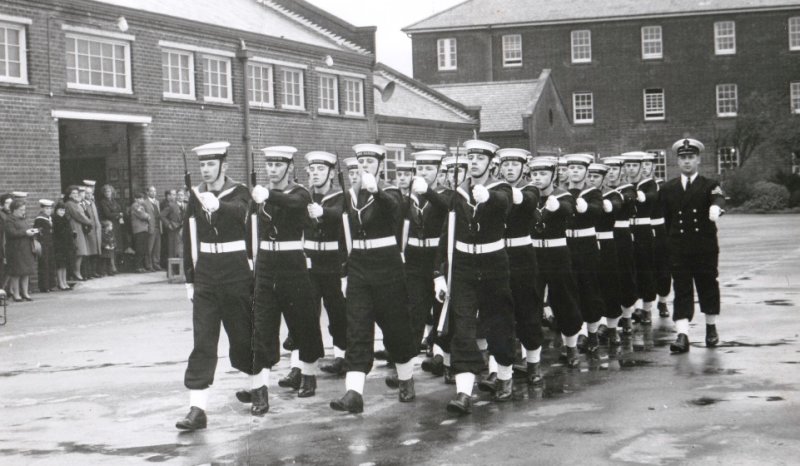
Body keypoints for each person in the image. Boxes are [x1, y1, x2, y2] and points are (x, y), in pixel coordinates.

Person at [176, 141, 258, 431]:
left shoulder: (240, 193)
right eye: (202, 165)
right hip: (207, 275)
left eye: (211, 164)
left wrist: (219, 205)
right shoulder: (195, 195)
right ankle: (197, 409)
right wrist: (189, 278)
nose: (206, 170)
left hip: (236, 272)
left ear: (224, 165)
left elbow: (241, 212)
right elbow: (189, 238)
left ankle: (258, 386)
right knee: (203, 341)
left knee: (241, 334)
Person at [329, 144, 417, 414]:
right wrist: (344, 270)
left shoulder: (389, 192)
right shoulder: (349, 196)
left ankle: (405, 378)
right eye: (361, 161)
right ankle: (354, 392)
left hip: (387, 267)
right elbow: (343, 234)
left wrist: (376, 191)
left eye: (370, 161)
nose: (364, 166)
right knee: (357, 329)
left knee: (395, 329)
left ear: (380, 165)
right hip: (359, 267)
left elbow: (397, 211)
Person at [433, 139, 516, 414]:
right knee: (463, 329)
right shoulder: (459, 192)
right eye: (471, 158)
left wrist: (488, 198)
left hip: (493, 264)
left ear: (491, 163)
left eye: (480, 158)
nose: (474, 162)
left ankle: (504, 377)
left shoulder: (500, 188)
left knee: (498, 324)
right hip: (464, 266)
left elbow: (504, 203)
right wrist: (439, 273)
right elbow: (447, 234)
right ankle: (464, 393)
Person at [241, 146, 325, 414]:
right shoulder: (260, 194)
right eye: (270, 165)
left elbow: (294, 204)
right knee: (261, 327)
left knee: (302, 323)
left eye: (278, 165)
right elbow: (250, 228)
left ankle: (308, 373)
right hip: (266, 265)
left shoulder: (299, 193)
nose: (273, 170)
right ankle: (259, 390)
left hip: (292, 265)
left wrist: (269, 196)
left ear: (289, 168)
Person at [660, 138, 726, 353]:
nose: (687, 162)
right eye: (683, 158)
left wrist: (716, 208)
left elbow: (719, 198)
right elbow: (667, 220)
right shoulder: (668, 188)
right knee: (682, 289)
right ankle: (682, 335)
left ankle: (711, 328)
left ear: (698, 159)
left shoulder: (709, 185)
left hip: (703, 247)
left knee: (707, 287)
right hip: (679, 247)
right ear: (678, 161)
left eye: (690, 157)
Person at [495, 148, 544, 386]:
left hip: (522, 255)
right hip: (497, 254)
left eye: (515, 164)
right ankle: (499, 371)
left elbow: (529, 201)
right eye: (506, 165)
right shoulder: (494, 189)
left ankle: (533, 363)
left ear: (525, 167)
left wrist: (512, 195)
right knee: (499, 313)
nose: (510, 169)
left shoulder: (530, 188)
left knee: (527, 310)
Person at [529, 157, 583, 368]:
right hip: (534, 253)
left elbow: (568, 208)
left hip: (558, 254)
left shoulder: (563, 195)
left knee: (565, 301)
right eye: (534, 174)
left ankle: (571, 347)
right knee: (531, 302)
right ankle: (531, 356)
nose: (538, 178)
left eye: (543, 174)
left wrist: (557, 205)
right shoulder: (529, 196)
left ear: (553, 175)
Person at [402, 150, 449, 380]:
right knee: (414, 311)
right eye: (420, 169)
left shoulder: (446, 193)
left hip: (436, 258)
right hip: (414, 259)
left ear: (439, 172)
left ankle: (442, 356)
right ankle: (406, 370)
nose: (423, 173)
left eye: (429, 169)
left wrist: (428, 192)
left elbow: (446, 208)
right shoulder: (410, 196)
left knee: (441, 309)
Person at [303, 151, 348, 376]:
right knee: (308, 312)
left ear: (331, 173)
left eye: (321, 169)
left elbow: (342, 214)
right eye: (312, 170)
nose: (316, 174)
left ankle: (341, 356)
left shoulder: (340, 196)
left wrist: (325, 212)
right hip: (310, 263)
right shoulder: (306, 196)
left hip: (333, 263)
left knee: (337, 311)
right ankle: (307, 362)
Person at [564, 153, 606, 354]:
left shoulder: (592, 193)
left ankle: (592, 332)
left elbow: (598, 211)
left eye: (579, 168)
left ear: (586, 171)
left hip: (587, 245)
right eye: (571, 168)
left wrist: (586, 207)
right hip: (566, 244)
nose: (575, 172)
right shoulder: (561, 192)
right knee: (571, 291)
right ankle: (578, 332)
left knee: (590, 290)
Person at [586, 162, 624, 347]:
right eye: (590, 176)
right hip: (588, 243)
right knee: (591, 288)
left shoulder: (611, 194)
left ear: (603, 178)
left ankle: (613, 329)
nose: (592, 180)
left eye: (596, 177)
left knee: (610, 286)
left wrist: (607, 205)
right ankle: (591, 331)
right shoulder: (582, 195)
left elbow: (617, 205)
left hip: (607, 242)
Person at [621, 152, 659, 325]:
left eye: (634, 165)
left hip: (643, 228)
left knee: (645, 268)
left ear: (640, 166)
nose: (630, 169)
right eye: (628, 165)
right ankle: (633, 307)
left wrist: (642, 196)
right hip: (627, 228)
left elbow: (653, 197)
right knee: (630, 268)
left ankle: (647, 308)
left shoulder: (649, 184)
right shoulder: (623, 186)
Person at [4, 199, 37, 301]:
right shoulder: (9, 220)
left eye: (24, 209)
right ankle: (16, 294)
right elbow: (11, 233)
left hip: (25, 248)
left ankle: (25, 293)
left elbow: (24, 230)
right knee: (16, 273)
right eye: (21, 210)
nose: (23, 211)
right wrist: (26, 232)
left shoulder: (23, 219)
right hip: (15, 250)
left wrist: (32, 232)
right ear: (14, 210)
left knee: (26, 272)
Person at [64, 186, 92, 281]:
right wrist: (89, 221)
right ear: (69, 195)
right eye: (73, 193)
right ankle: (76, 272)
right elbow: (79, 215)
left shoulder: (76, 204)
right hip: (74, 228)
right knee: (78, 251)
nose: (76, 195)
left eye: (77, 193)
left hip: (79, 227)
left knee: (81, 251)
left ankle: (77, 271)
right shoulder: (70, 204)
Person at [98, 184, 125, 274]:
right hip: (108, 226)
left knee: (115, 246)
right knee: (109, 247)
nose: (107, 193)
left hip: (116, 226)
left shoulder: (114, 201)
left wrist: (118, 214)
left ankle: (115, 266)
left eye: (109, 191)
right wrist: (118, 214)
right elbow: (107, 214)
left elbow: (121, 210)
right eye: (105, 191)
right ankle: (111, 268)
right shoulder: (103, 202)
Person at [34, 199, 57, 292]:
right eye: (47, 208)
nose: (49, 210)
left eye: (50, 208)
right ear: (42, 209)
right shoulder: (40, 219)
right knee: (44, 264)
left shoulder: (49, 218)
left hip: (50, 243)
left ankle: (50, 285)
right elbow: (38, 232)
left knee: (50, 263)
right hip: (43, 244)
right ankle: (44, 286)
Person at [83, 181, 103, 278]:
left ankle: (95, 271)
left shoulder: (92, 203)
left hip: (96, 230)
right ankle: (89, 272)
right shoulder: (83, 204)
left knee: (96, 252)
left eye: (90, 193)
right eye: (87, 193)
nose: (89, 195)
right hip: (89, 231)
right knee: (89, 252)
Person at [52, 201, 74, 290]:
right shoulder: (55, 219)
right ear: (56, 210)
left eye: (63, 210)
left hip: (66, 245)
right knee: (60, 265)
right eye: (60, 210)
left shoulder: (65, 219)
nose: (62, 212)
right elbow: (58, 233)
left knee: (64, 265)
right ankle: (60, 282)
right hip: (58, 245)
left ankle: (64, 282)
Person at [130, 193, 151, 273]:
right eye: (140, 198)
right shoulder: (135, 206)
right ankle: (138, 266)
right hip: (139, 229)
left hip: (143, 229)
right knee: (139, 249)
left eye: (142, 198)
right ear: (136, 199)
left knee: (143, 249)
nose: (142, 200)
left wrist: (147, 215)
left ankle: (141, 266)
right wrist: (148, 216)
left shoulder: (141, 206)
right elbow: (143, 216)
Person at [160, 189, 183, 259]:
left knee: (179, 247)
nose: (175, 196)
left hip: (180, 229)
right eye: (173, 195)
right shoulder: (170, 205)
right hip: (173, 229)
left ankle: (178, 266)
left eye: (175, 194)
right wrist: (168, 224)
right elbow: (161, 215)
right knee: (172, 248)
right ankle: (172, 268)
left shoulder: (180, 204)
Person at [144, 186, 162, 271]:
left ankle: (156, 263)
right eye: (151, 191)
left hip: (158, 227)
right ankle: (149, 265)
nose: (154, 193)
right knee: (149, 248)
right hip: (150, 227)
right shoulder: (145, 203)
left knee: (157, 248)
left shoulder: (157, 202)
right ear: (147, 192)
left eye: (155, 191)